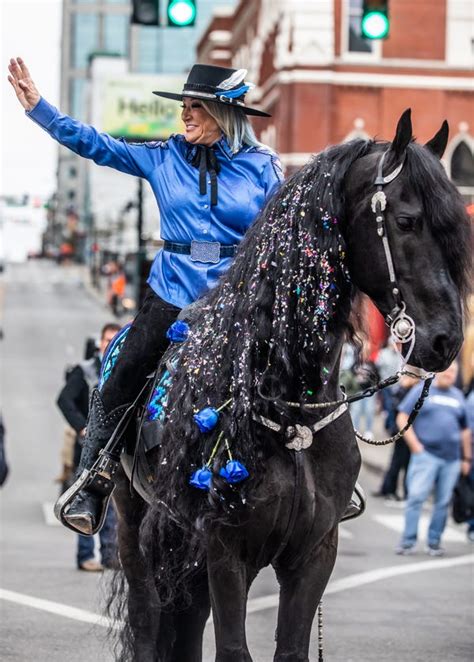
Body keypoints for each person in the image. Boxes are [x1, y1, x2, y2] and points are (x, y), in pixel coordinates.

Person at [8, 57, 284, 535]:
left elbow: (280, 237)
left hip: (236, 300)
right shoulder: (164, 156)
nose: (186, 114)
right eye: (186, 106)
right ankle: (93, 482)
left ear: (225, 113)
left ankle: (322, 477)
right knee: (124, 368)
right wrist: (41, 110)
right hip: (171, 292)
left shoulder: (265, 168)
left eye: (196, 106)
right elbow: (97, 144)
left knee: (291, 364)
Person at [56, 323, 121, 569]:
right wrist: (82, 426)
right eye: (107, 340)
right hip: (86, 448)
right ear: (100, 343)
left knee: (112, 504)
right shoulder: (85, 371)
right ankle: (85, 556)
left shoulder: (122, 369)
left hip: (112, 450)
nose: (110, 344)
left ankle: (109, 555)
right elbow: (64, 400)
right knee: (83, 499)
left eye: (115, 340)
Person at [395, 362, 472, 556]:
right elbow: (402, 416)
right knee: (416, 498)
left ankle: (434, 542)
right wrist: (415, 445)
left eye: (454, 372)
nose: (450, 375)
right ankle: (408, 541)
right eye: (448, 371)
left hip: (452, 459)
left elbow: (464, 430)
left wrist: (466, 458)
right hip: (426, 455)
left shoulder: (458, 396)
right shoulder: (422, 390)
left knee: (443, 502)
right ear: (439, 371)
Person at [372, 374, 419, 502]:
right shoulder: (404, 390)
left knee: (404, 463)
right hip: (401, 430)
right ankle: (389, 488)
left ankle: (400, 490)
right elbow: (395, 408)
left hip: (409, 431)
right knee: (397, 462)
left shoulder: (415, 391)